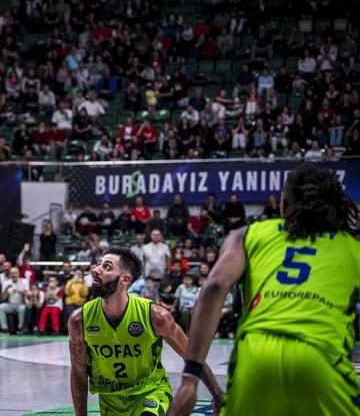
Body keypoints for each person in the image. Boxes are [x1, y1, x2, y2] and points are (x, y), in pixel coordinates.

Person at [169, 164, 360, 416]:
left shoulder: (249, 234)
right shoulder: (352, 247)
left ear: (284, 204)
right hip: (323, 360)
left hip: (255, 357)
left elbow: (214, 287)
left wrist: (190, 379)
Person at [68, 248, 223, 416]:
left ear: (125, 279)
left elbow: (191, 356)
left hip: (151, 392)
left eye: (107, 267)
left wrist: (217, 394)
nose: (95, 270)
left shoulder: (156, 316)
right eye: (99, 264)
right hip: (111, 402)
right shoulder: (79, 320)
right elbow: (79, 373)